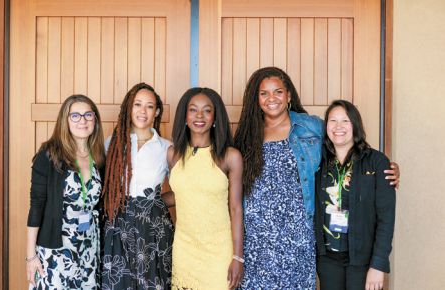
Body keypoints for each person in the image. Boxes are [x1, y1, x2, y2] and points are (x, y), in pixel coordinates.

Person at [233, 67, 399, 289]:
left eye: (278, 92)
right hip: (256, 239)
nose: (271, 98)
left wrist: (384, 168)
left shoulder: (310, 127)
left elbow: (345, 147)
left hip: (299, 236)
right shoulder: (246, 133)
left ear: (289, 95)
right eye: (264, 93)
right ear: (256, 98)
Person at [26, 94, 105, 289]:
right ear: (65, 120)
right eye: (75, 116)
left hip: (89, 249)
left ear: (95, 119)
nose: (83, 120)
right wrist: (31, 256)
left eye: (88, 115)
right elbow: (36, 205)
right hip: (56, 250)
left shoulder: (99, 157)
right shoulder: (49, 155)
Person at [168, 87, 244, 289]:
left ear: (215, 117)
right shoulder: (173, 154)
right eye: (193, 109)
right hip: (184, 249)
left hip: (219, 252)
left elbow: (236, 209)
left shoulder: (230, 156)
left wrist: (238, 257)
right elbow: (183, 194)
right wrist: (144, 202)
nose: (199, 116)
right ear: (185, 116)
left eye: (207, 110)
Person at [314, 100, 395, 290]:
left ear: (355, 125)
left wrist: (378, 264)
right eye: (332, 121)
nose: (338, 127)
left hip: (363, 259)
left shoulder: (376, 162)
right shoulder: (318, 160)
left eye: (345, 121)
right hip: (327, 259)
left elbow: (386, 218)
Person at [101, 83, 174, 289]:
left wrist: (154, 203)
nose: (143, 111)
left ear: (157, 111)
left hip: (153, 228)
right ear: (128, 108)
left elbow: (183, 191)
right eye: (137, 104)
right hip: (118, 225)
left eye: (149, 106)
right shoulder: (111, 144)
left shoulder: (166, 147)